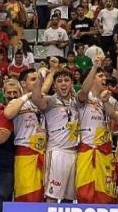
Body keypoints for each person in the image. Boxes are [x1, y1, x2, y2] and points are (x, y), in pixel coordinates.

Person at [29, 65, 81, 203]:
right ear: (55, 86)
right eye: (59, 81)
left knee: (69, 199)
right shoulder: (51, 101)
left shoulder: (75, 102)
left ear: (71, 83)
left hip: (74, 153)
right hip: (57, 153)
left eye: (66, 80)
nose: (63, 83)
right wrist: (40, 79)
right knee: (52, 196)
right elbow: (36, 99)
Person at [74, 57, 118, 203]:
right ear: (91, 78)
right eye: (100, 76)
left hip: (105, 151)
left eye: (105, 76)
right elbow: (84, 90)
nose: (104, 78)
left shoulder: (108, 99)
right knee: (85, 194)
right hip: (88, 151)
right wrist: (94, 67)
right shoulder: (84, 98)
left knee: (106, 193)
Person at [3, 69, 49, 202]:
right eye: (33, 80)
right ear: (24, 84)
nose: (37, 82)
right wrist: (27, 95)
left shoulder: (40, 101)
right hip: (26, 154)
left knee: (42, 197)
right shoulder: (17, 102)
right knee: (27, 196)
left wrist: (50, 72)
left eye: (37, 79)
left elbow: (44, 88)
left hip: (43, 153)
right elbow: (8, 114)